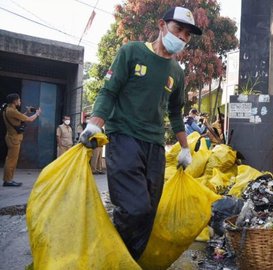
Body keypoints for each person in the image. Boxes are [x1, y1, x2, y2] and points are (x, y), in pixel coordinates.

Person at [78, 6, 200, 260]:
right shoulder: (131, 52)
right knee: (135, 208)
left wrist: (186, 148)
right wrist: (94, 124)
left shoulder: (177, 73)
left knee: (148, 213)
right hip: (124, 138)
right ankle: (114, 256)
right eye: (178, 30)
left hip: (154, 146)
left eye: (188, 35)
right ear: (161, 25)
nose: (182, 38)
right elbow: (109, 91)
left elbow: (176, 113)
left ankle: (129, 260)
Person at [2, 93, 41, 187]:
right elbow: (30, 120)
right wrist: (37, 114)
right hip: (14, 138)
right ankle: (8, 181)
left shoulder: (9, 109)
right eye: (19, 100)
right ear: (15, 101)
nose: (20, 101)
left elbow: (19, 118)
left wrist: (27, 112)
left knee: (10, 159)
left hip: (11, 137)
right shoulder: (12, 111)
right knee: (11, 160)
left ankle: (8, 179)